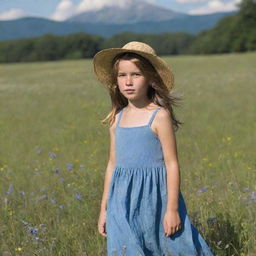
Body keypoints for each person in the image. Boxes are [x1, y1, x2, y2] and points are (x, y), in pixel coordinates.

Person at [93, 41, 214, 256]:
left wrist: (172, 209)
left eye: (136, 75)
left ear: (150, 78)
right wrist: (104, 209)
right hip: (120, 200)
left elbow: (171, 163)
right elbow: (112, 165)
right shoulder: (116, 119)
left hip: (156, 198)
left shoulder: (159, 116)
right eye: (122, 75)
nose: (128, 82)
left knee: (170, 246)